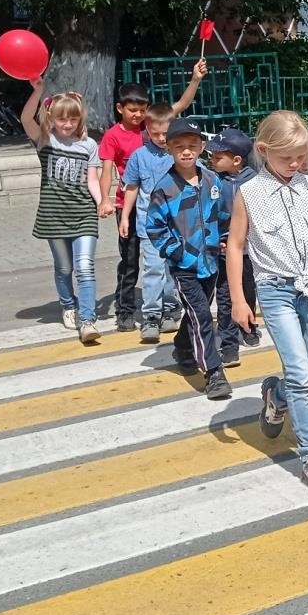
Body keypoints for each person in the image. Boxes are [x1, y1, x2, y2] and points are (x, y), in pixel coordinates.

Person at [227, 110, 308, 497]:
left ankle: (275, 395)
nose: (297, 164)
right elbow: (235, 247)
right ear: (265, 151)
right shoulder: (248, 193)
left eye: (302, 157)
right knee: (301, 374)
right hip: (275, 290)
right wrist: (238, 299)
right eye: (289, 158)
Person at [99, 63, 207, 332]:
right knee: (136, 264)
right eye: (132, 110)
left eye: (141, 109)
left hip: (173, 218)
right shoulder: (119, 139)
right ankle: (134, 312)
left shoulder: (165, 136)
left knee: (171, 268)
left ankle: (170, 308)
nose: (137, 115)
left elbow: (179, 106)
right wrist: (109, 202)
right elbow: (115, 175)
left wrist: (194, 78)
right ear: (120, 108)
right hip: (137, 210)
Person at [146, 117, 231, 400]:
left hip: (211, 262)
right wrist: (178, 252)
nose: (186, 151)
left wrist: (225, 240)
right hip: (184, 266)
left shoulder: (211, 179)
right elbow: (155, 228)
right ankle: (214, 373)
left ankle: (183, 346)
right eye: (179, 146)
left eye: (192, 146)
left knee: (198, 314)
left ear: (201, 147)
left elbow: (222, 214)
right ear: (169, 148)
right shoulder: (164, 188)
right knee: (203, 316)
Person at [20, 79, 103, 343]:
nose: (67, 124)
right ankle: (69, 305)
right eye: (62, 119)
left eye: (73, 119)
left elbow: (92, 179)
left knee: (85, 267)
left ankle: (87, 319)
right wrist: (37, 91)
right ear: (52, 119)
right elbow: (25, 118)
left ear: (80, 119)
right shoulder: (46, 140)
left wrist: (102, 201)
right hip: (53, 215)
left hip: (83, 214)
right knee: (64, 268)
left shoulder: (89, 145)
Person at [120, 103, 184, 342]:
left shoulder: (178, 154)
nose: (160, 138)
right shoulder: (139, 156)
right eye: (154, 133)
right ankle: (150, 316)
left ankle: (170, 309)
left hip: (177, 226)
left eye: (165, 134)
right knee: (153, 270)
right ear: (146, 129)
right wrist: (125, 216)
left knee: (170, 271)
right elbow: (133, 187)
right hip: (149, 227)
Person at [204, 126, 262, 362]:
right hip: (224, 249)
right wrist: (215, 239)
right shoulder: (213, 182)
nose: (213, 161)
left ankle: (248, 327)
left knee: (249, 290)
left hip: (250, 252)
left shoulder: (256, 183)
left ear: (236, 160)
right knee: (226, 294)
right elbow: (208, 214)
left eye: (218, 157)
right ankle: (228, 342)